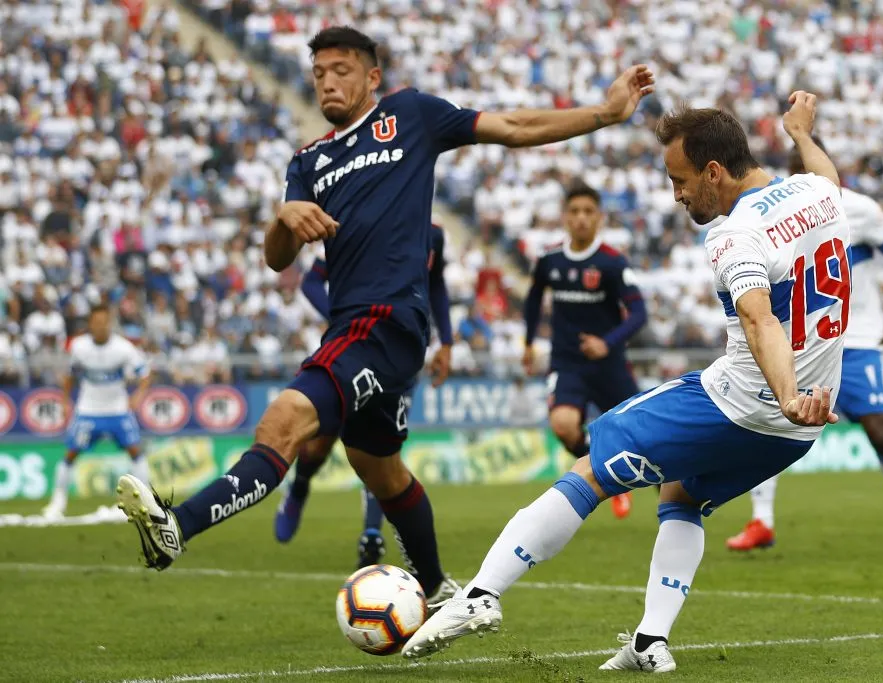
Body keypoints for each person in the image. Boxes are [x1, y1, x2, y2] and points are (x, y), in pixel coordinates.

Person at [115, 25, 654, 612]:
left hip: (386, 322)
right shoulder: (308, 161)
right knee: (378, 466)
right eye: (319, 73)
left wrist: (604, 113)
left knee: (283, 421)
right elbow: (277, 259)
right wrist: (284, 217)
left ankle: (179, 525)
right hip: (353, 327)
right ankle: (439, 589)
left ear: (372, 76)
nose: (327, 82)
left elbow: (514, 126)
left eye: (341, 70)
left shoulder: (410, 115)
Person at [403, 92, 848, 671]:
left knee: (591, 466)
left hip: (744, 404)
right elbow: (827, 175)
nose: (677, 195)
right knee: (681, 495)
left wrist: (786, 395)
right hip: (796, 432)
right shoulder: (819, 195)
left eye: (680, 180)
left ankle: (481, 594)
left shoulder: (734, 234)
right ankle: (647, 643)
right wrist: (802, 135)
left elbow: (758, 318)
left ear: (714, 172)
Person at [727, 136, 883, 556]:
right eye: (794, 169)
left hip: (858, 336)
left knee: (879, 431)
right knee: (770, 424)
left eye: (807, 167)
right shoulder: (775, 215)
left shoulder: (859, 208)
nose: (801, 176)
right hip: (803, 339)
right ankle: (762, 521)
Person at [273, 223, 454, 570]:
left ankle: (371, 534)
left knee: (380, 446)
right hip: (351, 348)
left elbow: (436, 284)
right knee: (319, 444)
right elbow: (311, 282)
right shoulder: (363, 220)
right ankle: (300, 485)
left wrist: (446, 341)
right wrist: (347, 318)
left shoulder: (432, 233)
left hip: (401, 352)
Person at [522, 183, 647, 519]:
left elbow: (639, 313)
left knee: (645, 437)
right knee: (563, 425)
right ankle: (609, 474)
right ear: (565, 217)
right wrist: (528, 342)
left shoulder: (611, 262)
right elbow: (533, 300)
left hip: (610, 364)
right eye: (574, 211)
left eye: (588, 212)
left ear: (599, 217)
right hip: (567, 364)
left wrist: (607, 342)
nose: (581, 218)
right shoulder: (549, 260)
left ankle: (678, 505)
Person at [44, 305, 149, 518]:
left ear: (109, 324)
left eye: (103, 322)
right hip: (88, 410)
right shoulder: (78, 346)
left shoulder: (124, 348)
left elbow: (144, 374)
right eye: (96, 322)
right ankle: (57, 502)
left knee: (135, 451)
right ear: (90, 324)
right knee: (70, 454)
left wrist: (138, 395)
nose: (100, 326)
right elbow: (70, 375)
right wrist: (65, 401)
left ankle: (147, 501)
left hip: (118, 410)